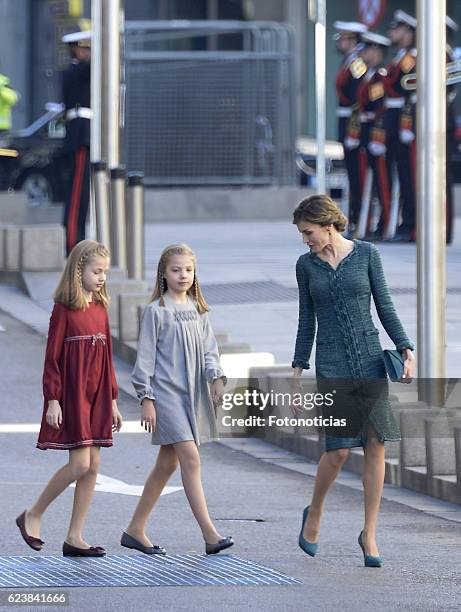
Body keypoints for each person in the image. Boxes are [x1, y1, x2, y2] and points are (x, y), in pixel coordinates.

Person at [291, 195, 415, 567]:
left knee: (376, 444)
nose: (305, 240)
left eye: (308, 232)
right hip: (331, 362)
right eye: (301, 234)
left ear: (328, 225)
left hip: (369, 356)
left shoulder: (367, 255)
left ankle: (369, 532)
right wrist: (298, 369)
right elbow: (305, 319)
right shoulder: (306, 265)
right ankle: (314, 512)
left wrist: (405, 346)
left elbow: (385, 304)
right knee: (340, 449)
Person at [123, 243, 233, 556]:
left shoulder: (198, 309)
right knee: (191, 458)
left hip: (192, 395)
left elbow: (210, 351)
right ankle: (210, 535)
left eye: (188, 269)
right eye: (176, 270)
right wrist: (146, 398)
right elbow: (144, 360)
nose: (183, 275)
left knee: (165, 465)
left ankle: (134, 529)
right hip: (167, 396)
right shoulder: (156, 311)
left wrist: (216, 379)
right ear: (163, 274)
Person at [15, 240, 123, 557]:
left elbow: (107, 358)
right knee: (80, 463)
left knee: (94, 464)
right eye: (96, 271)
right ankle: (32, 514)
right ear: (79, 271)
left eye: (105, 272)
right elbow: (53, 358)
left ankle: (75, 537)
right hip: (73, 395)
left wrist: (113, 399)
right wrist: (53, 399)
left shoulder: (101, 308)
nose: (102, 277)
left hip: (97, 395)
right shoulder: (63, 310)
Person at [384, 10, 417, 242]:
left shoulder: (410, 57)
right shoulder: (401, 56)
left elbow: (408, 94)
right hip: (394, 117)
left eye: (396, 29)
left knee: (408, 175)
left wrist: (407, 124)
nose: (392, 33)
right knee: (402, 173)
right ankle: (405, 222)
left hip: (403, 117)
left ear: (407, 32)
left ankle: (410, 224)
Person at [333, 21, 368, 236]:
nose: (340, 42)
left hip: (352, 122)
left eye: (343, 38)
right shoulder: (348, 61)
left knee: (357, 174)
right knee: (352, 172)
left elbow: (358, 99)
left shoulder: (356, 63)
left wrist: (354, 130)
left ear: (353, 41)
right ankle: (355, 218)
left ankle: (357, 218)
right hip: (346, 120)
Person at [358, 32, 392, 241]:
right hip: (366, 133)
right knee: (373, 183)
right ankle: (374, 224)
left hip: (376, 135)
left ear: (377, 52)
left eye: (368, 50)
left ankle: (385, 223)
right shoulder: (368, 75)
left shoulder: (379, 77)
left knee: (382, 183)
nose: (364, 54)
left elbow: (380, 110)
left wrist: (377, 138)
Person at [61, 30, 91, 256]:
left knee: (83, 196)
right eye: (85, 49)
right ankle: (73, 243)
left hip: (85, 133)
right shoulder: (75, 70)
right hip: (80, 134)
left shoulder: (79, 70)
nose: (88, 53)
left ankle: (77, 240)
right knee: (76, 196)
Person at [0, 72, 19, 190]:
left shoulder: (2, 82)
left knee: (3, 158)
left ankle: (4, 185)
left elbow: (13, 98)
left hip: (2, 130)